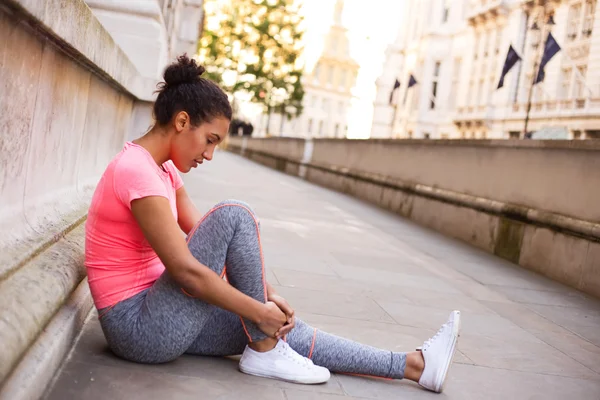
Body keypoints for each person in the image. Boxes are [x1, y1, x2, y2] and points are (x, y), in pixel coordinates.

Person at [85, 55, 461, 393]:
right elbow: (186, 271)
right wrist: (256, 309)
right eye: (210, 140)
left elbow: (207, 240)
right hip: (139, 330)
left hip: (161, 313)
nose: (210, 154)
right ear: (182, 121)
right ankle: (265, 352)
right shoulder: (135, 171)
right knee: (236, 215)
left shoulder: (163, 170)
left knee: (279, 329)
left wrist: (267, 298)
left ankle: (413, 366)